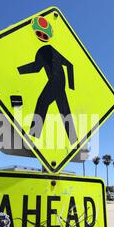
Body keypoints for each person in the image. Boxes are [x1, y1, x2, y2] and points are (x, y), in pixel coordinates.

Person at [17, 16, 77, 145]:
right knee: (61, 108)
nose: (41, 36)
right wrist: (18, 70)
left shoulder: (49, 49)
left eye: (44, 34)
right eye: (39, 33)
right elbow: (36, 67)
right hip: (57, 81)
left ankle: (34, 134)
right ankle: (73, 139)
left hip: (58, 81)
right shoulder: (41, 51)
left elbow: (70, 65)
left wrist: (72, 86)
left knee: (44, 103)